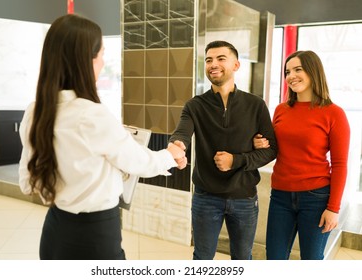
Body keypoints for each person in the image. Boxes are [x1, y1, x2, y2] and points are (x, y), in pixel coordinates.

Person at [18, 14, 186, 260]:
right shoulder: (91, 115)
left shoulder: (35, 112)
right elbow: (139, 162)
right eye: (101, 54)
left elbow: (26, 182)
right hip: (94, 235)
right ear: (85, 61)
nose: (102, 62)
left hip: (54, 230)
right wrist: (170, 155)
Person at [169, 40, 277, 260]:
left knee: (241, 258)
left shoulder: (255, 105)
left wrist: (236, 161)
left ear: (236, 65)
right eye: (209, 60)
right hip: (206, 197)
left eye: (220, 58)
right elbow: (182, 132)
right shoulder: (195, 105)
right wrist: (177, 146)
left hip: (244, 197)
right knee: (202, 258)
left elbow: (270, 150)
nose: (213, 64)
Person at [254, 50, 350, 260]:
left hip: (316, 198)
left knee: (311, 260)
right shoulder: (281, 110)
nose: (291, 76)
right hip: (280, 196)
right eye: (288, 71)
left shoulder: (334, 113)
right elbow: (273, 150)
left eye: (298, 69)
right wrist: (258, 144)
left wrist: (333, 208)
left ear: (314, 71)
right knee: (275, 258)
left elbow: (341, 165)